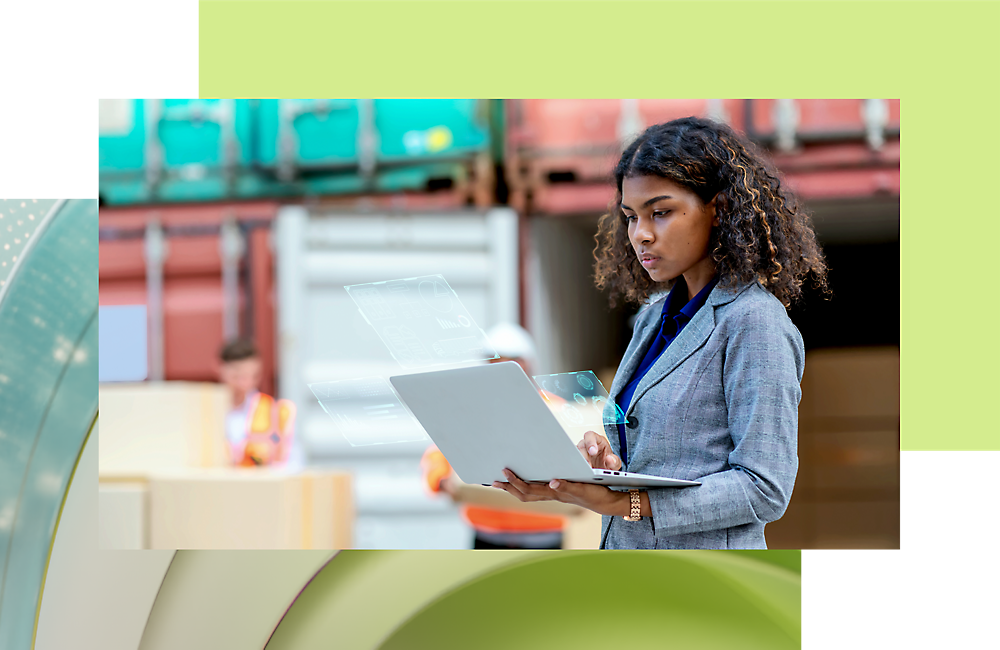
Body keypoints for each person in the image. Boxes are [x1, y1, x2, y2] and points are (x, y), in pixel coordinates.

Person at [493, 116, 829, 549]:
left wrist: (627, 503)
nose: (641, 234)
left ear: (719, 207)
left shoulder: (753, 322)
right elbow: (662, 455)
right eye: (631, 217)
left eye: (661, 212)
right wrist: (601, 465)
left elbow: (764, 488)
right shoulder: (653, 319)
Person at [421, 322, 573, 549]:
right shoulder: (471, 411)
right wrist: (441, 480)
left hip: (544, 535)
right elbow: (438, 454)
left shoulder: (555, 409)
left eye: (503, 363)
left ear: (525, 364)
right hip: (487, 535)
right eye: (491, 363)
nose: (494, 370)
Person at [216, 338, 302, 471]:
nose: (245, 384)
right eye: (237, 376)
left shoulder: (277, 412)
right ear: (220, 369)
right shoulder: (206, 413)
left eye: (253, 376)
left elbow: (294, 464)